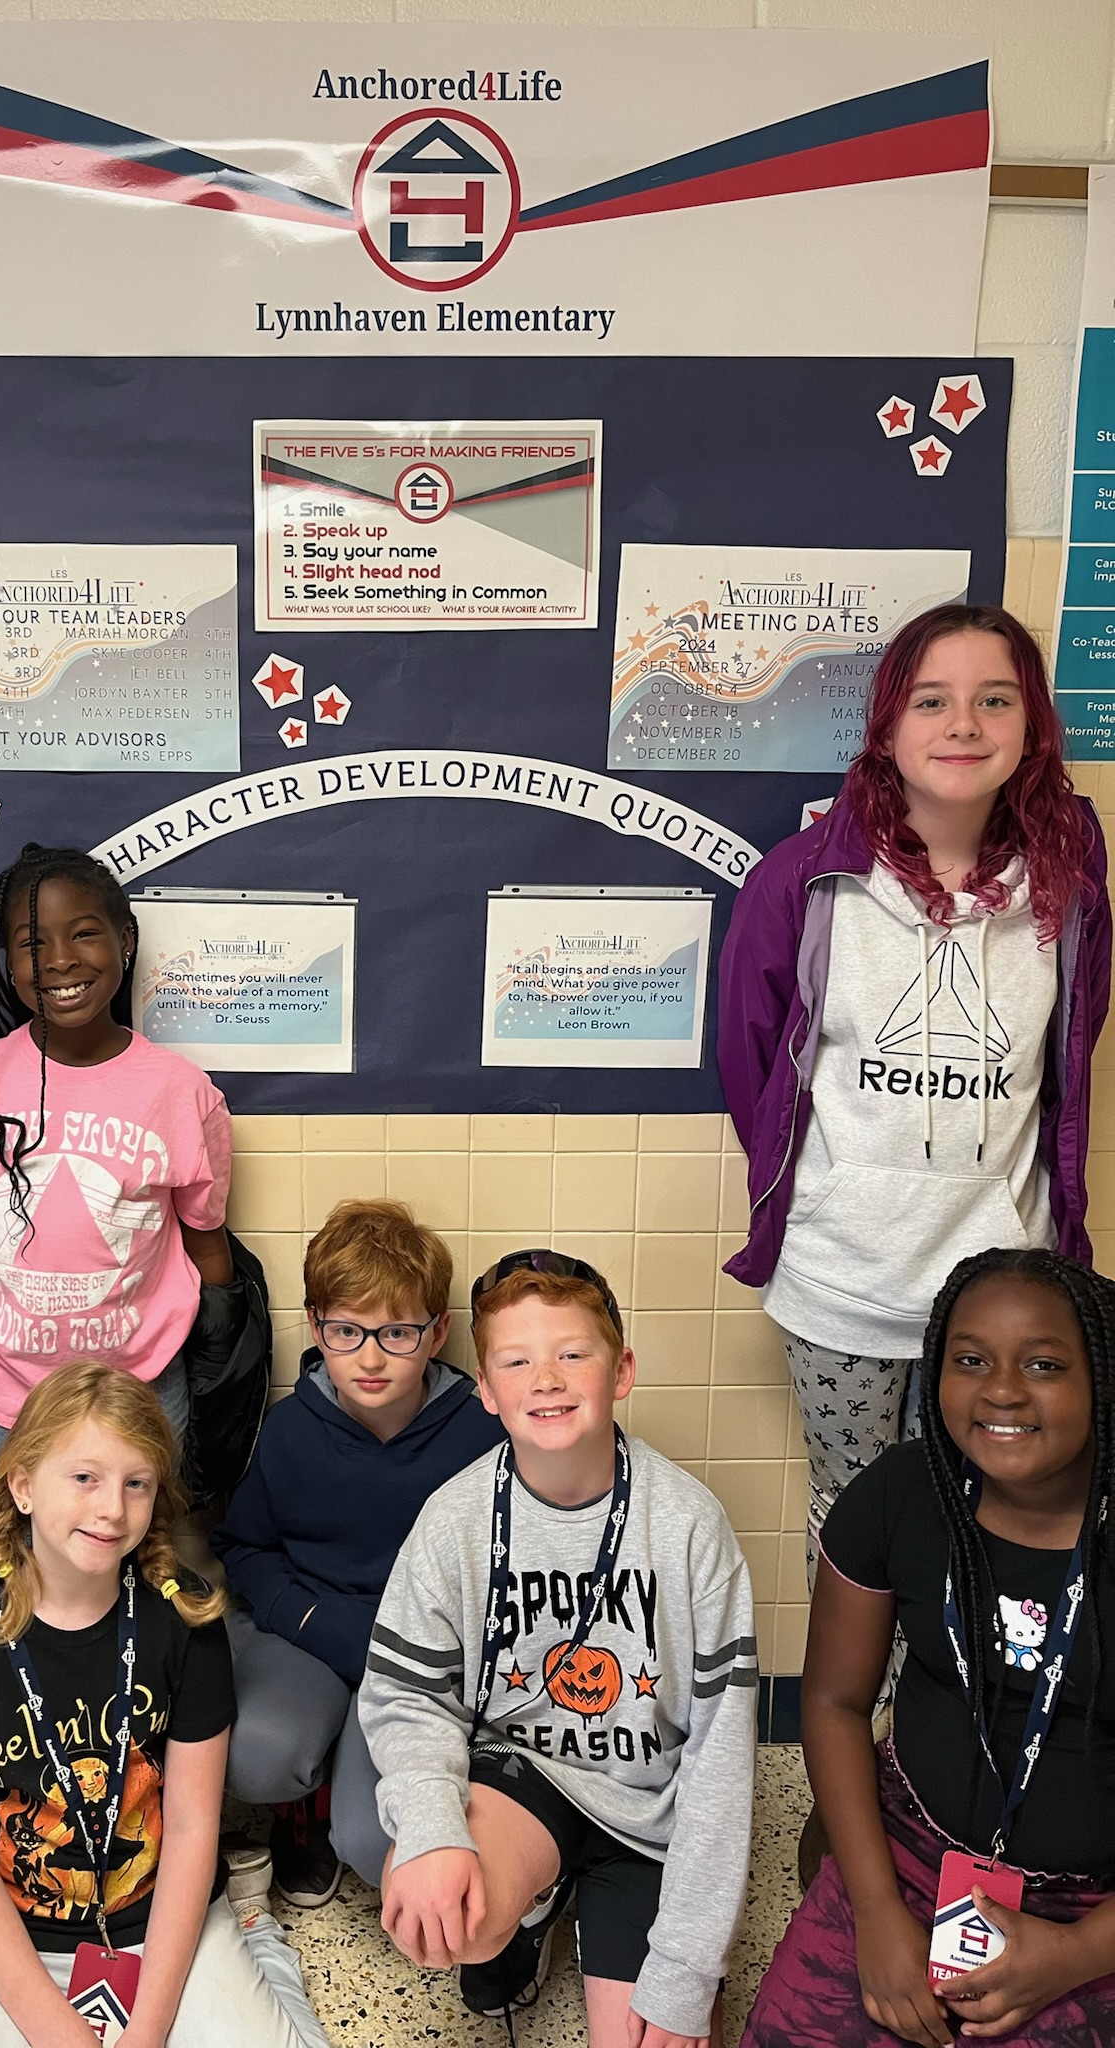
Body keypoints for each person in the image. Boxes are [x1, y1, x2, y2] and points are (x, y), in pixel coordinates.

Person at [719, 604, 1111, 1580]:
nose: (963, 725)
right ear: (888, 724)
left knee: (977, 1512)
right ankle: (853, 1685)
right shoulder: (804, 883)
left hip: (1000, 1285)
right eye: (932, 701)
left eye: (995, 700)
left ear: (1032, 726)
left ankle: (938, 1688)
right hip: (843, 1280)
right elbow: (751, 1066)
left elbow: (1069, 1050)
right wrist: (835, 1193)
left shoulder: (1069, 881)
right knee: (853, 1515)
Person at [360, 1250, 758, 2046]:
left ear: (622, 1371)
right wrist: (433, 1829)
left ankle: (592, 1903)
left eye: (573, 1354)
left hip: (646, 1809)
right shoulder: (453, 1518)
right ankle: (532, 1902)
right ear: (486, 1389)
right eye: (516, 1361)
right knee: (439, 1905)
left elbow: (721, 1758)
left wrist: (687, 1966)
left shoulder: (689, 1525)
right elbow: (407, 1695)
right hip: (522, 1778)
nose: (545, 1378)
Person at [745, 1248, 1115, 2048]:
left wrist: (1078, 1953)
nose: (1002, 1390)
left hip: (1097, 1905)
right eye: (970, 1360)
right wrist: (877, 1912)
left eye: (1044, 1364)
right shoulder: (901, 1494)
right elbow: (836, 1702)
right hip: (910, 1851)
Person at [0, 1360, 328, 2048]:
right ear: (23, 1485)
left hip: (159, 1919)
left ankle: (257, 1943)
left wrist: (148, 2029)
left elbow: (192, 1829)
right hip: (11, 1928)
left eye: (137, 1483)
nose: (112, 1508)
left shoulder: (185, 1619)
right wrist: (58, 2032)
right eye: (84, 1478)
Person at [212, 1199, 503, 1905]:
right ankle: (301, 1811)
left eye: (397, 1332)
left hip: (420, 1657)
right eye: (347, 1331)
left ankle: (347, 1787)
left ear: (437, 1333)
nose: (370, 1358)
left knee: (380, 1847)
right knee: (256, 1752)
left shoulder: (482, 1433)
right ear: (317, 1327)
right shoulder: (289, 1427)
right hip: (308, 1635)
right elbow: (242, 1547)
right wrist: (307, 1619)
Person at [0, 844, 235, 1478]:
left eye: (83, 933)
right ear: (6, 959)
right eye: (32, 942)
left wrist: (219, 1354)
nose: (60, 960)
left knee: (140, 1537)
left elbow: (206, 1243)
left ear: (125, 941)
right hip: (9, 1394)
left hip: (142, 1389)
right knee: (20, 1542)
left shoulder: (180, 1090)